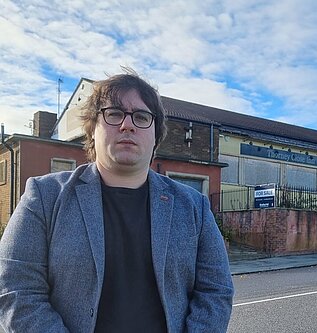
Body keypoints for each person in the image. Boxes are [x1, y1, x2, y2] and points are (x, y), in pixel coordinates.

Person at [0, 70, 234, 332]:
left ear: (155, 136)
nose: (127, 125)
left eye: (142, 117)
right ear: (92, 129)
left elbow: (216, 291)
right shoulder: (44, 197)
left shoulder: (194, 207)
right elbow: (15, 290)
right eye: (114, 113)